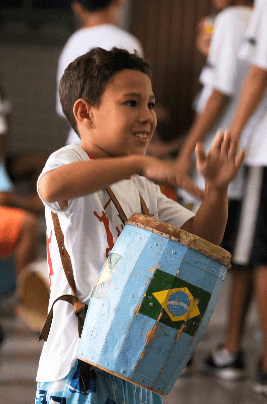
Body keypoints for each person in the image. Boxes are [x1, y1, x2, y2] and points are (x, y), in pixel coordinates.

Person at [35, 46, 244, 404]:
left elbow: (201, 238)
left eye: (150, 104)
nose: (148, 116)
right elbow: (51, 186)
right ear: (85, 113)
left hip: (132, 361)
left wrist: (217, 190)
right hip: (78, 361)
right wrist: (139, 165)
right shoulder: (71, 159)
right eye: (131, 103)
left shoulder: (142, 186)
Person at [204, 0, 267, 394]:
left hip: (264, 150)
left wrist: (232, 135)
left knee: (259, 255)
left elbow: (258, 72)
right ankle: (233, 350)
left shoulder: (232, 18)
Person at [56, 0, 144, 146]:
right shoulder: (127, 42)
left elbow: (65, 108)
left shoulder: (72, 43)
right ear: (118, 2)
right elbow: (135, 103)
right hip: (117, 146)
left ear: (77, 7)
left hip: (78, 144)